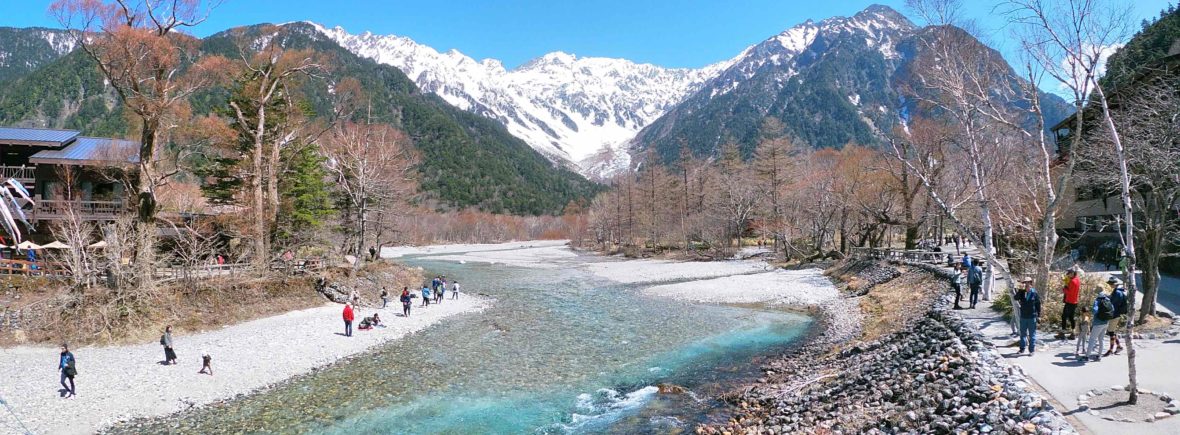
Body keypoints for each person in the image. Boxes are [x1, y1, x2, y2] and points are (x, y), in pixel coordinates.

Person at [1085, 286, 1117, 362]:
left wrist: (1091, 311)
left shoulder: (1097, 301)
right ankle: (1099, 356)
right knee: (1101, 339)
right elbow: (1113, 309)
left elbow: (1094, 311)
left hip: (1098, 323)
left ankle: (1087, 356)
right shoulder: (1107, 299)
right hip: (1106, 322)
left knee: (1092, 339)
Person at [1016, 276, 1041, 355]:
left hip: (1032, 316)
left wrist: (1039, 315)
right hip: (1023, 316)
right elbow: (1015, 298)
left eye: (1028, 282)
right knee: (1023, 333)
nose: (1026, 284)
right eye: (1025, 283)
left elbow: (1038, 305)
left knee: (1032, 334)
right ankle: (1022, 349)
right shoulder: (1022, 292)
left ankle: (1031, 350)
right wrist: (1020, 290)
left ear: (1031, 283)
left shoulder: (1034, 293)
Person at [1105, 276, 1127, 356]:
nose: (1109, 285)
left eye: (1111, 284)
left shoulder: (1117, 293)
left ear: (1115, 284)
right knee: (1112, 331)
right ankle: (1119, 346)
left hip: (1115, 315)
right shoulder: (1116, 292)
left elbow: (1113, 304)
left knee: (1111, 332)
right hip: (1115, 314)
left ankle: (1111, 349)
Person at [1057, 268, 1081, 340]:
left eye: (1069, 273)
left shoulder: (1072, 281)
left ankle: (1063, 333)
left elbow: (1068, 292)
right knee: (1071, 317)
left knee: (1064, 317)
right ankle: (1073, 333)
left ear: (1073, 273)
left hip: (1070, 301)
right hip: (1074, 301)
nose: (1068, 275)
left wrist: (1064, 289)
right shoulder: (1077, 279)